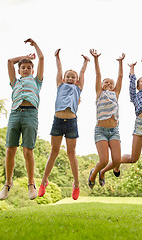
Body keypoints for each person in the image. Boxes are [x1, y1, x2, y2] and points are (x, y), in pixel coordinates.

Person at [38, 49, 90, 200]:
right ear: (63, 78)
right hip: (58, 121)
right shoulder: (60, 85)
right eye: (68, 76)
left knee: (71, 153)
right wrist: (57, 57)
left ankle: (76, 183)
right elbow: (59, 69)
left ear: (76, 80)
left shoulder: (78, 89)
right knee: (54, 151)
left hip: (72, 122)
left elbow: (82, 74)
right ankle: (44, 181)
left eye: (73, 77)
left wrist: (85, 62)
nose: (70, 78)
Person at [0, 38, 44, 201]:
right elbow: (10, 61)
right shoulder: (14, 82)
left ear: (32, 70)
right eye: (23, 67)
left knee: (27, 151)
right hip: (15, 114)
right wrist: (25, 56)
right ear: (19, 71)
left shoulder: (37, 82)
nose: (25, 69)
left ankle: (31, 184)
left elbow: (42, 58)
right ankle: (7, 183)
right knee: (10, 149)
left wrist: (35, 47)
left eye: (28, 67)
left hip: (31, 114)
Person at [87, 49, 125, 188]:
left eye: (111, 83)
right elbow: (98, 74)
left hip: (114, 131)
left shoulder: (116, 93)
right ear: (102, 85)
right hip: (101, 131)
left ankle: (102, 172)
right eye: (106, 83)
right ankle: (94, 173)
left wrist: (121, 62)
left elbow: (120, 76)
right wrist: (96, 59)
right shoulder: (99, 93)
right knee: (103, 160)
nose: (109, 85)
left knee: (116, 160)